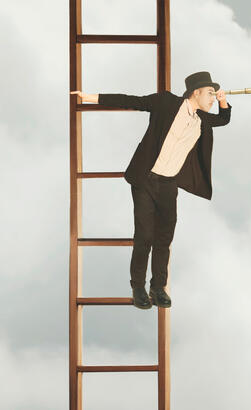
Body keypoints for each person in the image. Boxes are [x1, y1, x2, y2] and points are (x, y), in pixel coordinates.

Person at [71, 71, 232, 309]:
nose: (212, 98)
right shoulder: (166, 103)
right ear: (195, 92)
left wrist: (222, 102)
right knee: (144, 236)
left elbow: (224, 119)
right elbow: (132, 100)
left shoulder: (203, 118)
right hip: (146, 180)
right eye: (210, 93)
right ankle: (138, 287)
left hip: (169, 184)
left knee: (164, 239)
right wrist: (90, 97)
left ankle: (158, 288)